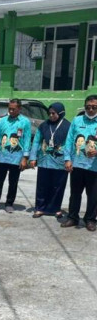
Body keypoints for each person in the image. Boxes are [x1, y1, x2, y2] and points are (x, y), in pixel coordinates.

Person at [0, 99, 31, 213]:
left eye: (13, 109)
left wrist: (25, 158)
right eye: (9, 109)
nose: (11, 111)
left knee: (13, 182)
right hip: (2, 157)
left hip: (17, 158)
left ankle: (9, 203)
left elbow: (27, 140)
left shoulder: (25, 122)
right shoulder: (2, 121)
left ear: (19, 109)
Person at [62, 95, 97, 231]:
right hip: (77, 164)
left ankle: (90, 219)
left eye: (94, 107)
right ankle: (72, 217)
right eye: (88, 107)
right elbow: (69, 141)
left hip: (94, 166)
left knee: (93, 195)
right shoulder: (77, 121)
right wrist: (67, 159)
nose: (91, 110)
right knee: (75, 193)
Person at [29, 102, 71, 218]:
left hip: (59, 161)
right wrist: (33, 157)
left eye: (54, 113)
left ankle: (55, 209)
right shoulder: (43, 125)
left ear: (61, 113)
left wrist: (68, 160)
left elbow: (70, 144)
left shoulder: (68, 126)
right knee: (42, 185)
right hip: (44, 160)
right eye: (50, 113)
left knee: (58, 186)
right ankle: (40, 208)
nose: (51, 115)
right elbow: (36, 141)